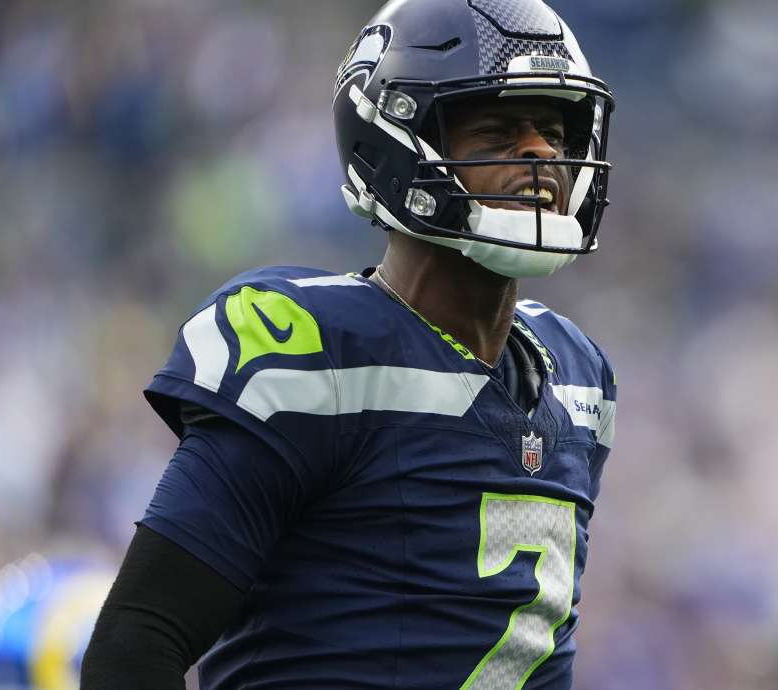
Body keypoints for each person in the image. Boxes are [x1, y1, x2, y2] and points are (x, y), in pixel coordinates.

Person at [79, 0, 617, 688]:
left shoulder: (578, 378)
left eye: (554, 130)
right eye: (498, 129)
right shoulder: (313, 351)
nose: (541, 153)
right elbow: (135, 645)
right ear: (395, 137)